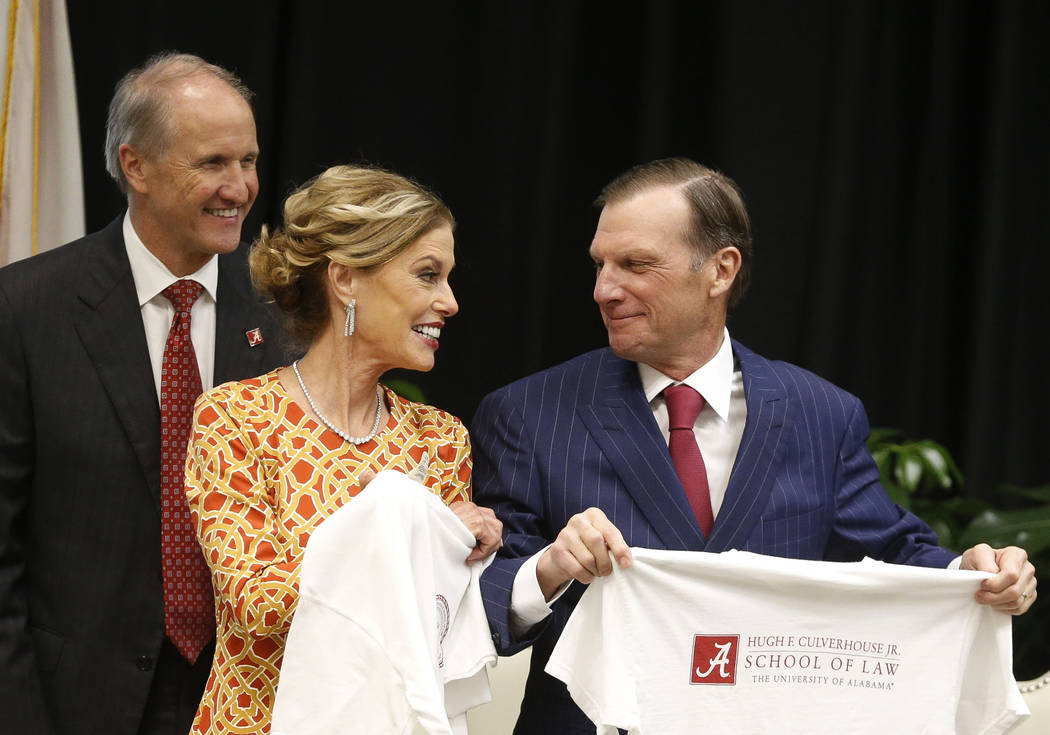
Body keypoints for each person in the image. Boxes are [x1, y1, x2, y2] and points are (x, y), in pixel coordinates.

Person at [470, 157, 1038, 733]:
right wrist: (549, 569)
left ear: (720, 271)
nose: (604, 290)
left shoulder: (822, 414)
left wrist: (976, 575)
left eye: (635, 265)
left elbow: (894, 555)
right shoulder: (528, 414)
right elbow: (485, 602)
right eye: (599, 266)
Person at [0, 53, 288, 734]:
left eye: (248, 160)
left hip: (245, 701)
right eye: (213, 162)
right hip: (73, 703)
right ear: (136, 166)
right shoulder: (27, 309)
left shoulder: (284, 315)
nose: (240, 187)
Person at [184, 163, 502, 733]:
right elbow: (257, 609)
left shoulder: (439, 438)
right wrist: (385, 523)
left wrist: (472, 550)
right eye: (427, 275)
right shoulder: (235, 419)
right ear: (346, 279)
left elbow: (443, 629)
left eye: (448, 278)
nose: (450, 301)